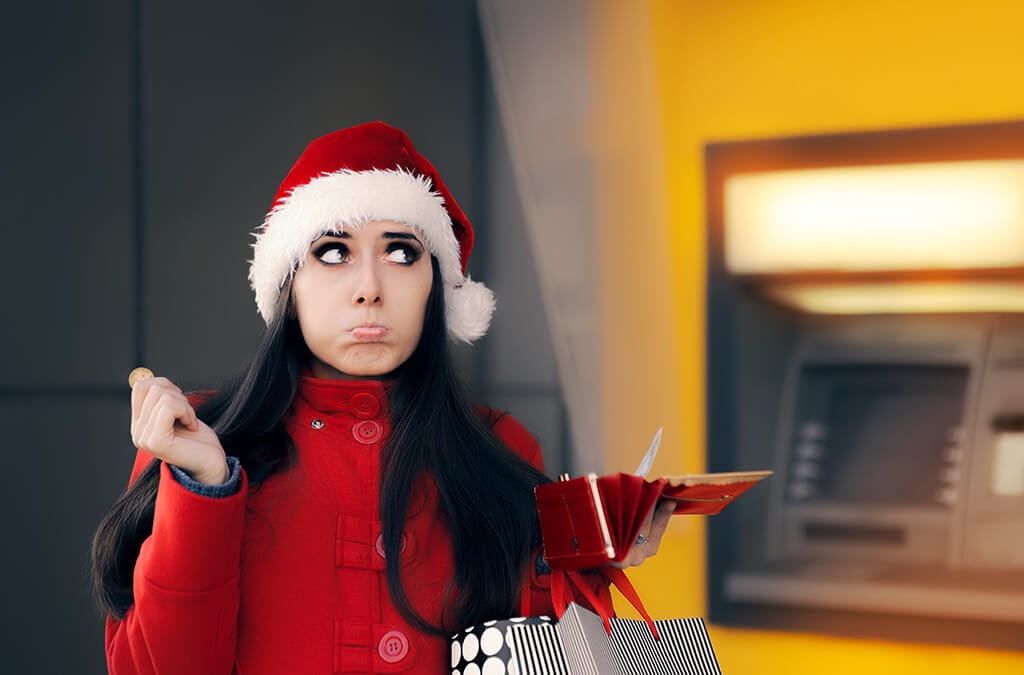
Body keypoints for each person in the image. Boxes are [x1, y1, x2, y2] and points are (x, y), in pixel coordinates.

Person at [91, 121, 674, 674]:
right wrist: (205, 492)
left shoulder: (500, 449)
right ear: (288, 287)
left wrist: (586, 562)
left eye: (401, 253)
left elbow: (526, 649)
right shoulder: (201, 444)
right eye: (333, 252)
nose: (369, 288)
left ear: (435, 286)